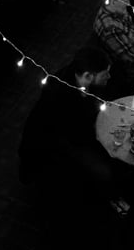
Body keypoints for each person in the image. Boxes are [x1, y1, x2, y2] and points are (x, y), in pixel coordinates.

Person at [18, 47, 117, 202]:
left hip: (73, 134)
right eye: (105, 74)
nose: (109, 77)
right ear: (88, 76)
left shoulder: (80, 76)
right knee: (104, 171)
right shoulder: (60, 95)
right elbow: (73, 136)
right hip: (52, 144)